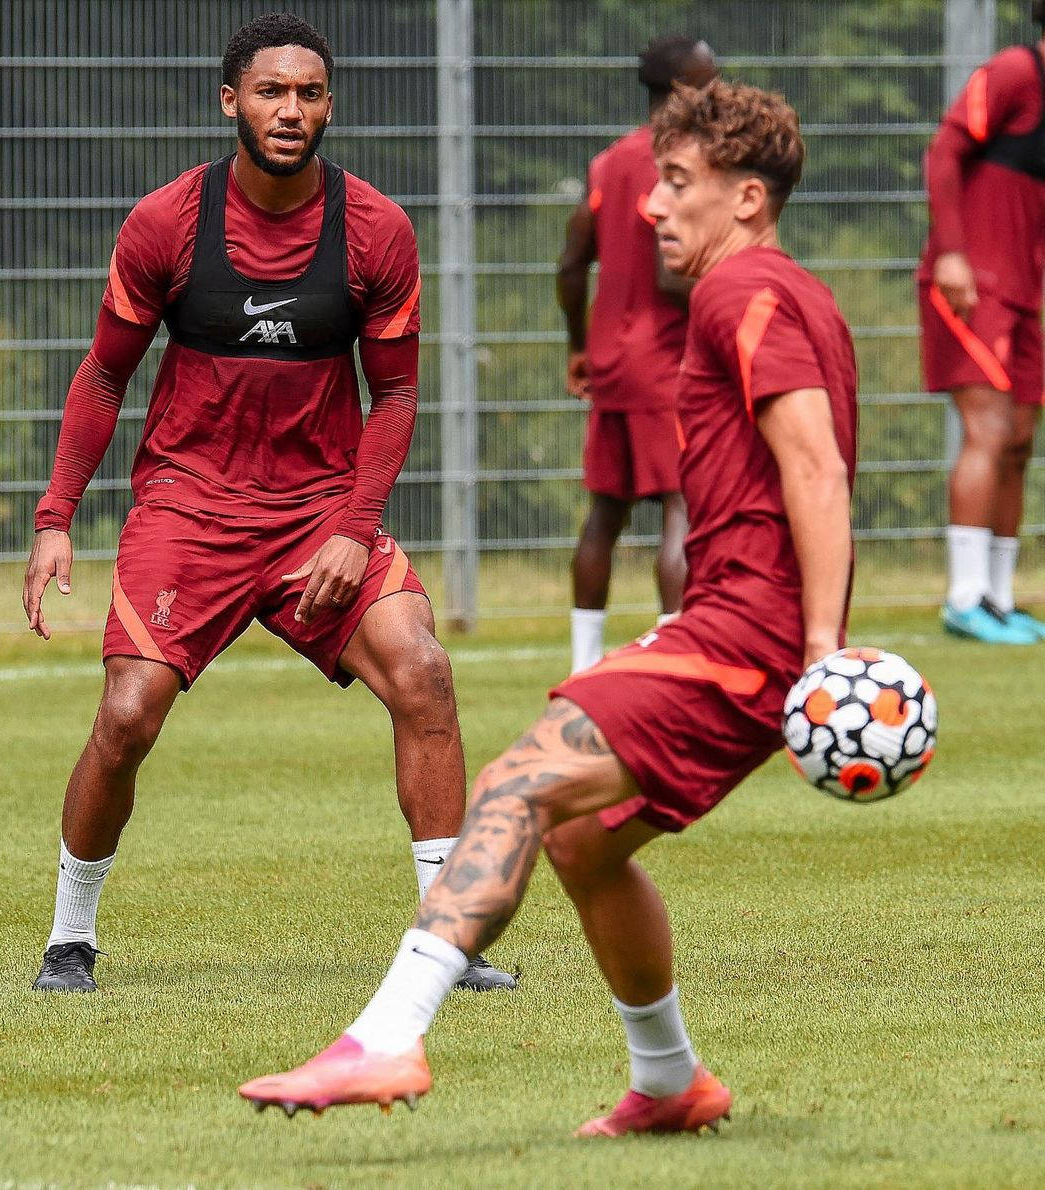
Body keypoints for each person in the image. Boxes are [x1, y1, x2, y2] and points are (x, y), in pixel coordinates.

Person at [240, 79, 858, 1137]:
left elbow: (816, 468)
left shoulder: (738, 291)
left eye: (676, 184)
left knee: (516, 782)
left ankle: (387, 1033)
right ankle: (669, 1080)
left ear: (747, 199)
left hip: (746, 636)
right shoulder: (789, 290)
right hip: (735, 627)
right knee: (584, 839)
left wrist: (820, 655)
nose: (653, 208)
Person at [23, 12, 514, 995]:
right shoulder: (167, 222)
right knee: (127, 714)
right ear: (230, 101)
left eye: (309, 93)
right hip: (187, 510)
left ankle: (447, 940)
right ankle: (68, 937)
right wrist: (53, 516)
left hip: (319, 514)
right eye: (270, 91)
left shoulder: (376, 228)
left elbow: (399, 395)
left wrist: (352, 526)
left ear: (330, 106)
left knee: (424, 672)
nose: (290, 109)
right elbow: (106, 374)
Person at [558, 36, 717, 675]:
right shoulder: (676, 163)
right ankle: (678, 655)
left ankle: (582, 663)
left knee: (606, 510)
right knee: (682, 501)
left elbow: (572, 264)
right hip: (665, 360)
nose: (718, 95)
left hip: (611, 361)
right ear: (681, 90)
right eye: (708, 84)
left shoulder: (609, 162)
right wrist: (737, 277)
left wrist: (578, 348)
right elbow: (673, 277)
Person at [918, 0, 1045, 644]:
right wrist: (953, 253)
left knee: (1020, 440)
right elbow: (944, 153)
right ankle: (962, 600)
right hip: (972, 285)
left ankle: (998, 599)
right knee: (989, 430)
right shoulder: (1016, 72)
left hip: (1023, 295)